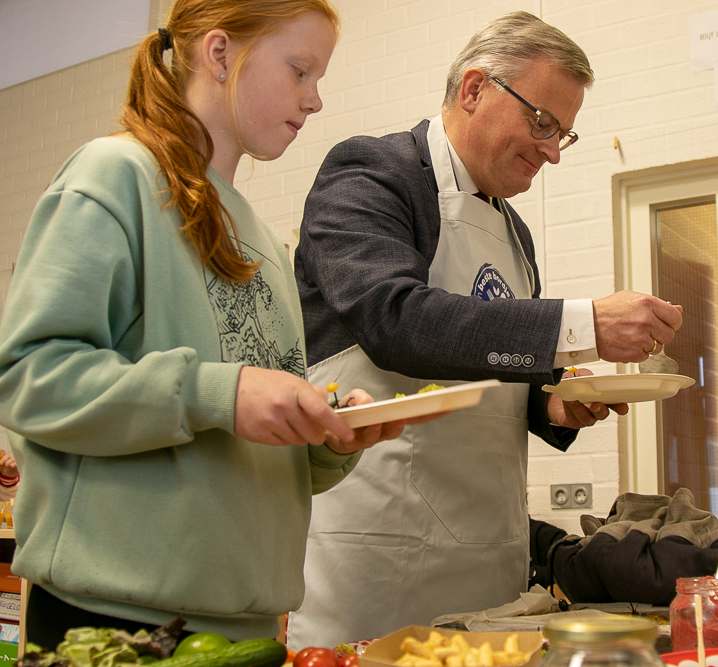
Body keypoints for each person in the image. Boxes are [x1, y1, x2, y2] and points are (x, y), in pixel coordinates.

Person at [0, 0, 425, 647]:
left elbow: (251, 442)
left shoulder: (258, 235)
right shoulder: (113, 177)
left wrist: (330, 440)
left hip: (250, 627)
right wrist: (216, 392)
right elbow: (27, 375)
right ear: (220, 53)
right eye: (300, 70)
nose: (314, 100)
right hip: (116, 623)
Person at [289, 11, 683, 646]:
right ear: (474, 89)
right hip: (376, 549)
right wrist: (583, 322)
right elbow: (395, 320)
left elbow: (489, 360)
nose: (552, 150)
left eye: (565, 135)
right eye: (543, 122)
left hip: (487, 549)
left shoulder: (513, 229)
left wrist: (550, 401)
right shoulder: (371, 174)